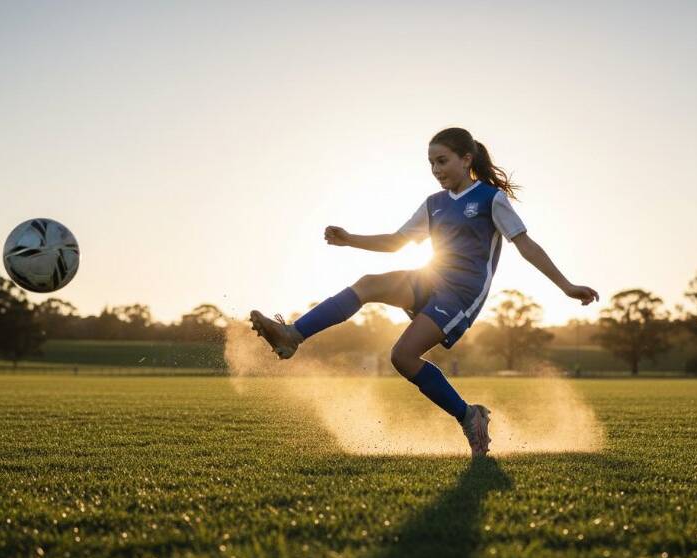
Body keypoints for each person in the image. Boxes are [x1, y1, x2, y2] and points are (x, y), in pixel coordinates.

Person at [250, 128, 599, 456]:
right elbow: (397, 242)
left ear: (466, 159)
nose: (435, 169)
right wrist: (350, 239)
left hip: (460, 295)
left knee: (402, 356)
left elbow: (527, 246)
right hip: (429, 277)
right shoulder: (434, 203)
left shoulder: (491, 199)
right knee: (369, 282)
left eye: (442, 160)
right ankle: (292, 335)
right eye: (431, 163)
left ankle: (469, 416)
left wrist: (566, 286)